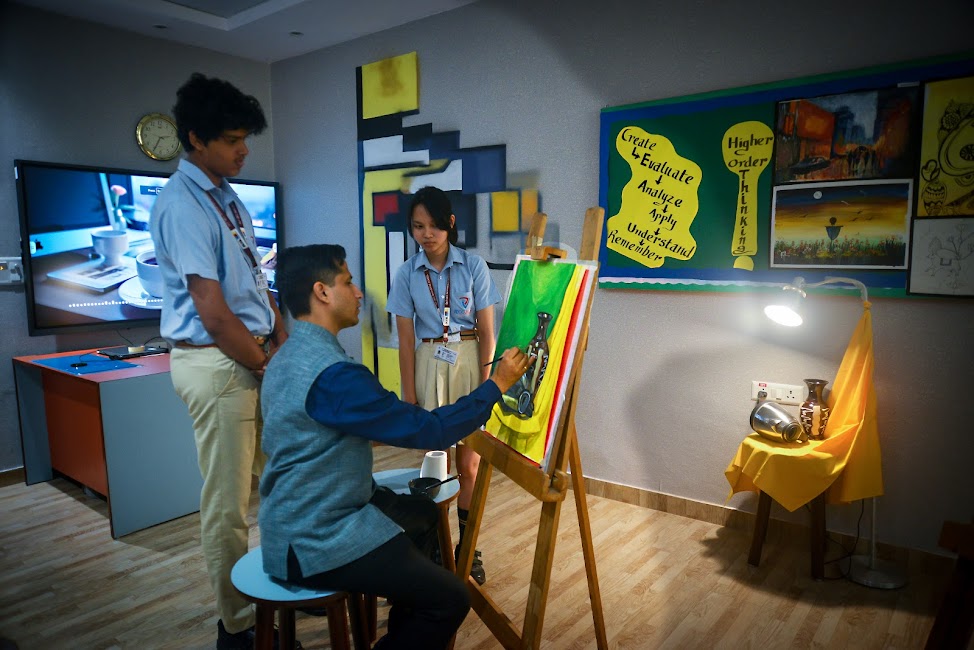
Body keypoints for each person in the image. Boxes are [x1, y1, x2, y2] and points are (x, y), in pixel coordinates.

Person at [258, 244, 532, 649]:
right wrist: (497, 385)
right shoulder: (334, 376)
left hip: (294, 515)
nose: (358, 292)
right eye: (348, 282)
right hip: (313, 535)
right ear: (322, 292)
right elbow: (431, 431)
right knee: (450, 599)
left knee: (423, 515)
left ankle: (408, 619)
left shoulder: (289, 356)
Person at [149, 73, 287, 650]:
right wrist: (265, 363)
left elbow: (254, 282)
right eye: (232, 140)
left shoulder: (227, 197)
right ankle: (237, 626)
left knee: (284, 480)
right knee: (227, 506)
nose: (243, 150)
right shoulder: (182, 204)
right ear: (196, 139)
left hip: (252, 356)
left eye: (245, 138)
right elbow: (212, 310)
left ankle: (282, 591)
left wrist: (281, 335)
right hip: (219, 363)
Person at [385, 186, 500, 585]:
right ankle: (435, 545)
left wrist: (487, 385)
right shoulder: (406, 273)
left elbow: (488, 332)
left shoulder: (473, 266)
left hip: (469, 360)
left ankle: (469, 549)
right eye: (418, 226)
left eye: (434, 225)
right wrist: (408, 395)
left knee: (469, 464)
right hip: (428, 361)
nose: (427, 234)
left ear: (450, 223)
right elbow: (404, 340)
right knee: (436, 462)